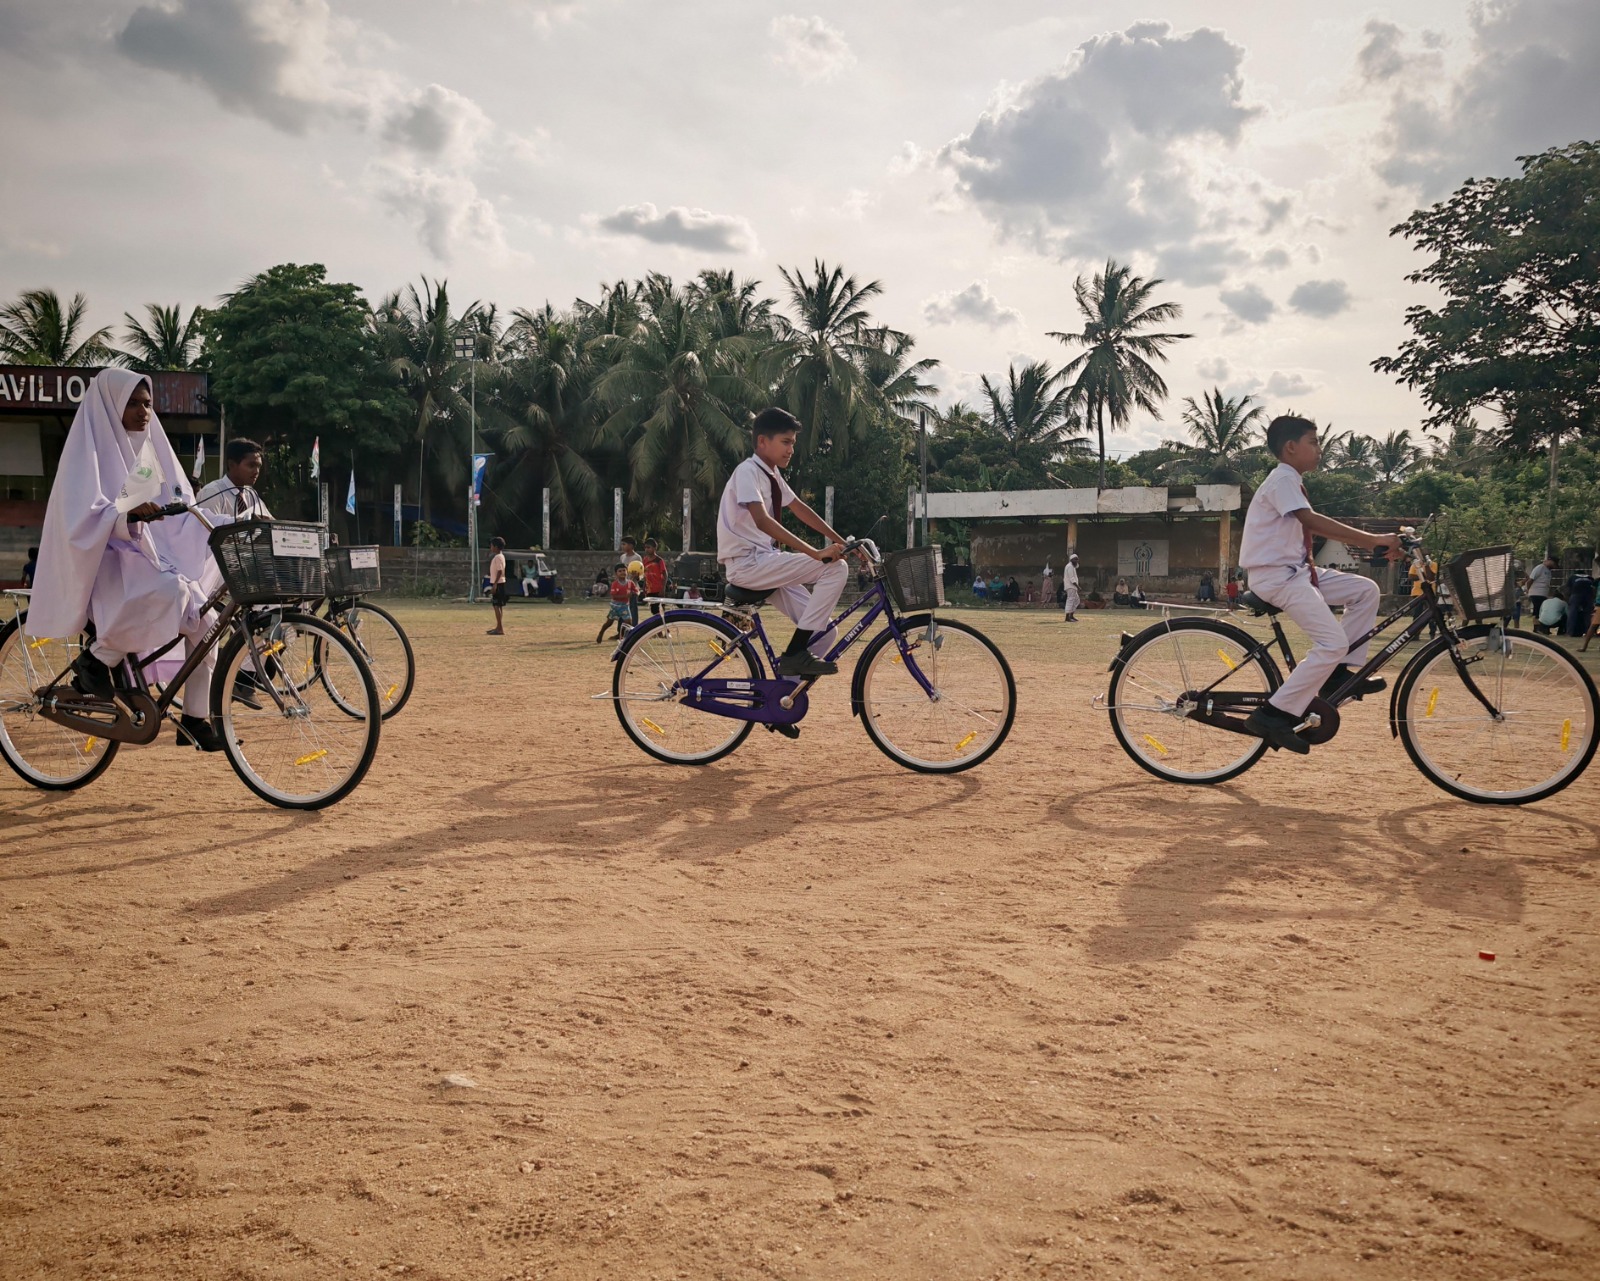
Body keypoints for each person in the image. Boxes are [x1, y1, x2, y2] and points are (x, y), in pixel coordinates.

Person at [25, 369, 227, 751]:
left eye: (147, 404)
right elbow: (80, 514)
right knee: (168, 591)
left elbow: (184, 509)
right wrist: (125, 515)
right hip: (104, 566)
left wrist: (232, 520)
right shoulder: (90, 450)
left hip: (146, 560)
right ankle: (96, 660)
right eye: (132, 403)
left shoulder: (147, 453)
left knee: (207, 621)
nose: (143, 412)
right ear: (110, 406)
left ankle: (196, 719)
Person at [1238, 415, 1401, 754]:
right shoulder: (1282, 478)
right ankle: (1272, 714)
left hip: (1297, 572)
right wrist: (1373, 540)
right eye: (1313, 442)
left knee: (1365, 591)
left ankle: (1337, 675)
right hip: (1277, 576)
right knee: (1331, 642)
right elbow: (1311, 521)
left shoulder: (1290, 479)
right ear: (1291, 447)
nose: (1319, 449)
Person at [716, 407, 851, 680]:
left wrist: (841, 541)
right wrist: (816, 553)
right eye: (786, 442)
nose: (791, 449)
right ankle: (795, 653)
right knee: (835, 569)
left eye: (793, 443)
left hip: (765, 563)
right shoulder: (748, 472)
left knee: (825, 632)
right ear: (762, 441)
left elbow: (799, 508)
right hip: (749, 563)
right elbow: (763, 520)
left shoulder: (772, 475)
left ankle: (781, 700)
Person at [195, 438, 273, 520]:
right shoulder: (212, 492)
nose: (256, 471)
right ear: (231, 464)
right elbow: (209, 529)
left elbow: (272, 523)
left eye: (259, 467)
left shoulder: (251, 494)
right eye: (251, 465)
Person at [596, 563, 634, 643]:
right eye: (620, 571)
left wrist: (635, 593)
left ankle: (622, 636)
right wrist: (626, 596)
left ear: (627, 571)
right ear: (616, 574)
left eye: (624, 570)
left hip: (625, 606)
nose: (622, 572)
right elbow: (613, 596)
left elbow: (636, 591)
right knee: (609, 623)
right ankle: (601, 632)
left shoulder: (630, 583)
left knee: (628, 622)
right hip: (615, 607)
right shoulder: (615, 584)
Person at [486, 535, 507, 635]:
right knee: (499, 606)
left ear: (496, 546)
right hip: (500, 582)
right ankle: (498, 626)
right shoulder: (501, 556)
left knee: (496, 605)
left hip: (498, 583)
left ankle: (500, 628)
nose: (491, 547)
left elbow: (499, 571)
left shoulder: (498, 557)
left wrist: (494, 584)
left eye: (491, 546)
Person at [1526, 554, 1557, 624]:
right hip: (1536, 593)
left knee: (1541, 611)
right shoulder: (1540, 568)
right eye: (1554, 564)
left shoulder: (1549, 571)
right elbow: (1530, 580)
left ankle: (1540, 627)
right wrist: (1528, 590)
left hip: (1543, 594)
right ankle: (1536, 628)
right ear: (1549, 561)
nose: (1554, 566)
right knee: (1537, 610)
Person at [641, 538, 669, 616]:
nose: (646, 549)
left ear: (654, 548)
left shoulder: (659, 560)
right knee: (653, 610)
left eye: (649, 547)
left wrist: (663, 588)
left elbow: (665, 574)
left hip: (658, 590)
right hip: (650, 590)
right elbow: (645, 575)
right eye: (645, 547)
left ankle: (664, 627)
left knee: (660, 611)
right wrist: (644, 588)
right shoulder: (644, 560)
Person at [1062, 552, 1081, 622]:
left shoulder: (1072, 566)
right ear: (1071, 560)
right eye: (1075, 559)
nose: (1076, 561)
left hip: (1073, 587)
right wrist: (1078, 587)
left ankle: (1071, 615)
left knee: (1077, 600)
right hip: (1071, 586)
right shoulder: (1069, 566)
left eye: (1077, 560)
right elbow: (1072, 578)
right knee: (1070, 600)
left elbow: (1077, 566)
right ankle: (1067, 617)